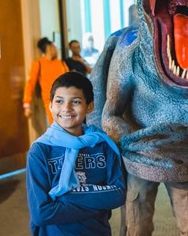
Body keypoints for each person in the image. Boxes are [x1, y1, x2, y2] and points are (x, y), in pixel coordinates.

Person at [26, 71, 126, 236]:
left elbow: (117, 195)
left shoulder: (102, 145)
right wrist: (98, 203)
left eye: (76, 101)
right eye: (59, 101)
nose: (66, 108)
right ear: (50, 105)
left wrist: (63, 197)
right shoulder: (40, 151)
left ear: (89, 106)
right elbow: (41, 213)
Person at [23, 37, 69, 124]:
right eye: (54, 46)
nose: (56, 49)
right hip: (51, 102)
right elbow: (30, 84)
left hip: (67, 99)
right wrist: (26, 105)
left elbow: (71, 81)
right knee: (57, 126)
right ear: (49, 48)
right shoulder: (39, 64)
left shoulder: (61, 63)